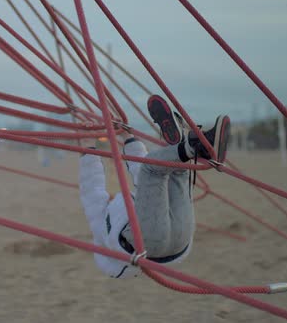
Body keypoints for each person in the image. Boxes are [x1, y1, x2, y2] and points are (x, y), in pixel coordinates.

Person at [79, 95, 231, 278]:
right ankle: (194, 146)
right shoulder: (101, 226)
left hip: (180, 245)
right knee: (152, 169)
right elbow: (92, 188)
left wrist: (127, 137)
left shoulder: (122, 218)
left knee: (177, 170)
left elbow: (135, 174)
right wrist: (88, 148)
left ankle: (185, 144)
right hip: (145, 243)